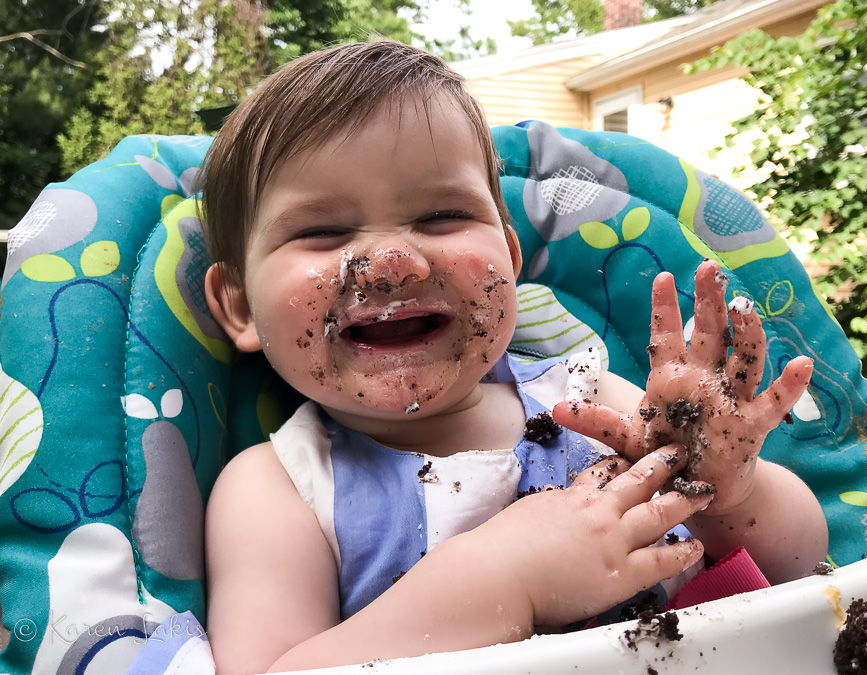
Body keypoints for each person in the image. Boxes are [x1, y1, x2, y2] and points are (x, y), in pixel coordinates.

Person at [199, 40, 828, 675]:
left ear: (509, 252)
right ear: (241, 306)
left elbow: (803, 569)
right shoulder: (279, 490)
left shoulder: (590, 402)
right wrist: (501, 580)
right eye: (321, 232)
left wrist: (727, 490)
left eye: (443, 216)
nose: (392, 265)